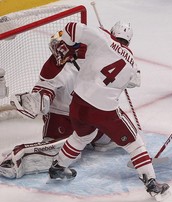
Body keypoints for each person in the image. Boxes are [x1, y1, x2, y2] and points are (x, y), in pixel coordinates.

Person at [47, 21, 170, 200]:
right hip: (104, 110)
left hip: (78, 103)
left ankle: (58, 166)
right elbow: (135, 81)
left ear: (113, 32)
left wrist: (65, 44)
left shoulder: (102, 37)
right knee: (135, 143)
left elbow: (71, 27)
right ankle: (152, 184)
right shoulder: (132, 62)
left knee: (82, 136)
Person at [0, 31, 115, 179]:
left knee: (111, 138)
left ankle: (91, 140)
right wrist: (36, 100)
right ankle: (17, 159)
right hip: (62, 118)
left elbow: (104, 41)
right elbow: (43, 94)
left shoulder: (89, 56)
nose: (56, 51)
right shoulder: (53, 66)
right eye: (54, 47)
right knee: (66, 151)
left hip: (89, 114)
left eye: (59, 46)